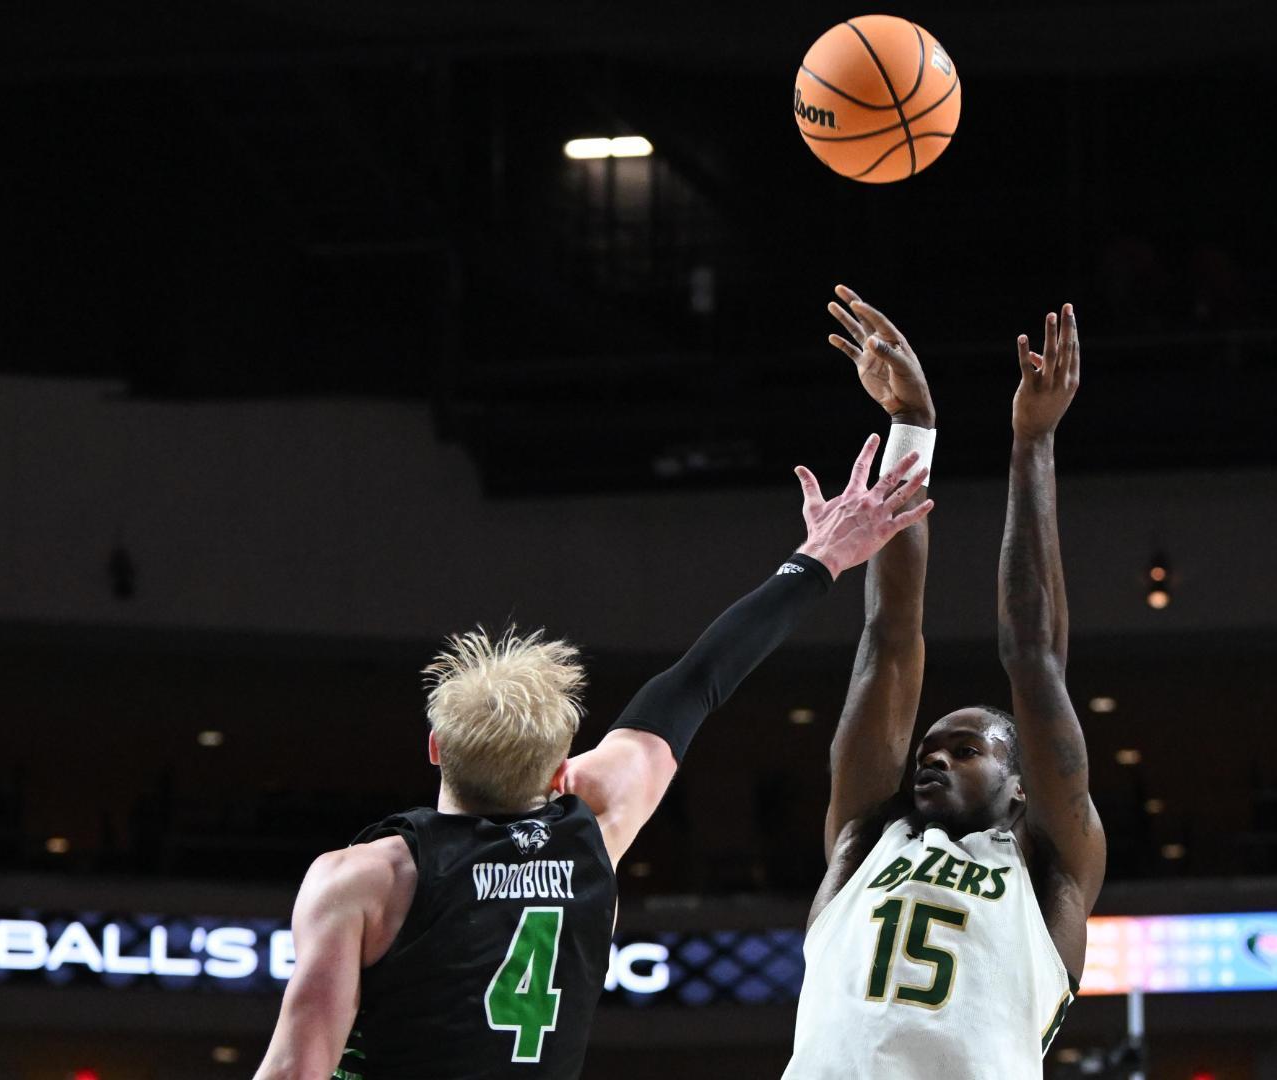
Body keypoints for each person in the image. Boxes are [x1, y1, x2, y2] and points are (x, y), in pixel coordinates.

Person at [253, 433, 937, 1080]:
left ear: (435, 747)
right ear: (559, 773)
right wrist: (818, 559)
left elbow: (295, 1069)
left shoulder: (364, 878)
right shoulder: (594, 826)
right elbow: (697, 683)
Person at [783, 290, 1105, 1079]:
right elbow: (889, 636)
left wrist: (1033, 441)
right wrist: (911, 425)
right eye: (930, 747)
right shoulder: (863, 838)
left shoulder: (1051, 871)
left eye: (966, 749)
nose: (933, 758)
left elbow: (1034, 657)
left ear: (1022, 785)